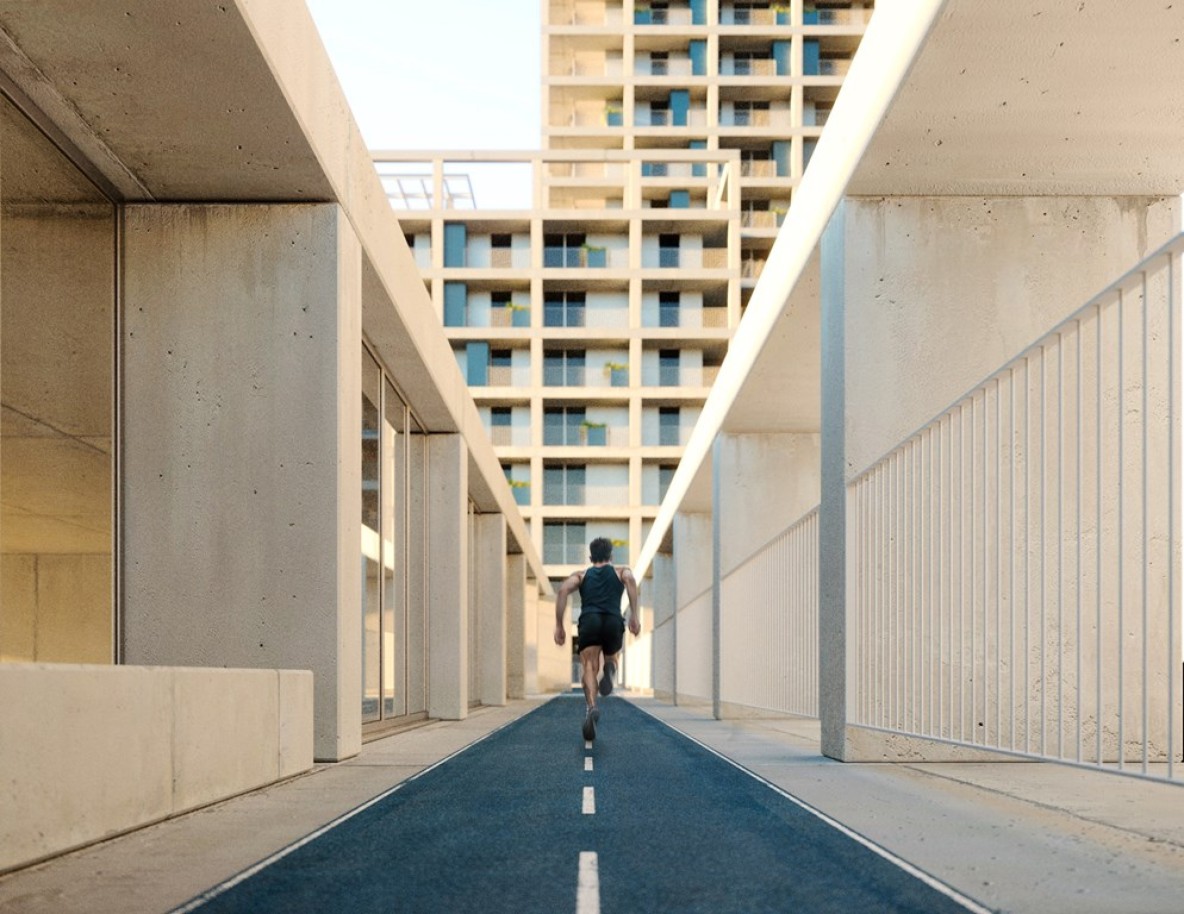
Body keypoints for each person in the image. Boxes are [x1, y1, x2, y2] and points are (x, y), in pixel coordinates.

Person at [554, 536, 641, 741]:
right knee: (611, 656)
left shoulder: (582, 576)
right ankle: (610, 668)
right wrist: (635, 615)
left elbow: (563, 590)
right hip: (612, 620)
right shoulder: (621, 572)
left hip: (590, 621)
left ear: (591, 557)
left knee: (590, 667)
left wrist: (559, 625)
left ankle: (592, 706)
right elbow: (631, 580)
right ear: (611, 556)